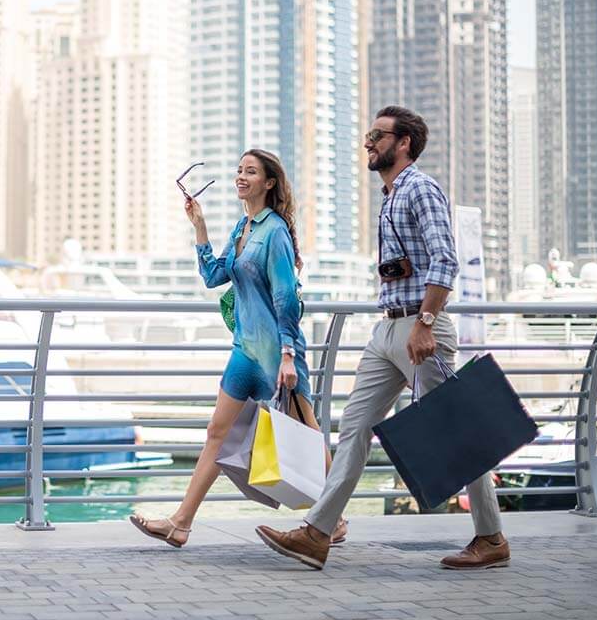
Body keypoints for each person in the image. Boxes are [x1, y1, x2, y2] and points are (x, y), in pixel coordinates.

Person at [255, 106, 509, 571]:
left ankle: (491, 537)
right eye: (368, 135)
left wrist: (426, 324)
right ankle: (317, 533)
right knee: (353, 429)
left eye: (376, 135)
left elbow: (444, 260)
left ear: (404, 142)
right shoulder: (391, 195)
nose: (368, 143)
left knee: (459, 432)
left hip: (419, 330)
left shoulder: (421, 189)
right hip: (387, 328)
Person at [129, 148, 347, 548]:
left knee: (306, 436)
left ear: (269, 182)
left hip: (277, 355)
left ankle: (333, 519)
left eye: (251, 172)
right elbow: (214, 276)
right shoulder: (242, 228)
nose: (241, 177)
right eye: (239, 171)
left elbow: (285, 298)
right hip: (244, 351)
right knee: (217, 431)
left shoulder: (275, 231)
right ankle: (181, 523)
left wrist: (286, 356)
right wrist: (199, 227)